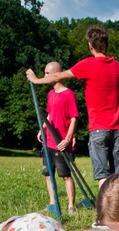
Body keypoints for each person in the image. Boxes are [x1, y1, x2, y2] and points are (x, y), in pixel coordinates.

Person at [27, 26, 119, 189]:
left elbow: (57, 76)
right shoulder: (115, 65)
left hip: (99, 129)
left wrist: (36, 80)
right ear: (106, 44)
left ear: (90, 46)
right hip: (118, 130)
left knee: (103, 176)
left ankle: (104, 214)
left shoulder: (88, 64)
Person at [36, 61, 79, 215]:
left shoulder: (69, 94)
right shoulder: (50, 94)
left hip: (61, 143)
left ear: (56, 74)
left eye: (47, 73)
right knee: (48, 174)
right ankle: (53, 204)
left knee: (66, 176)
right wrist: (42, 128)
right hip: (49, 141)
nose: (45, 76)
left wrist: (67, 139)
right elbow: (49, 115)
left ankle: (71, 206)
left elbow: (74, 118)